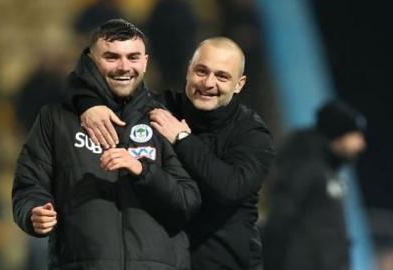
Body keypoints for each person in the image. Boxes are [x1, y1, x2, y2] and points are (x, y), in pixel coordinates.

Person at [64, 37, 276, 270]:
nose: (208, 83)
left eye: (222, 76)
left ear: (239, 84)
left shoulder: (252, 133)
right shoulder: (161, 107)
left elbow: (230, 189)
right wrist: (89, 104)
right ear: (188, 71)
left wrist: (182, 139)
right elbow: (83, 79)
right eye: (201, 71)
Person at [12, 19, 201, 270]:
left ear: (145, 62)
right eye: (112, 57)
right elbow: (29, 186)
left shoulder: (167, 118)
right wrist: (33, 212)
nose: (124, 67)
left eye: (133, 57)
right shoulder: (55, 120)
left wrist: (142, 170)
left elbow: (188, 202)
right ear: (91, 60)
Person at [262, 100, 367, 270]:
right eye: (356, 135)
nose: (361, 144)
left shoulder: (329, 171)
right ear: (339, 134)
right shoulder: (302, 166)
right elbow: (279, 220)